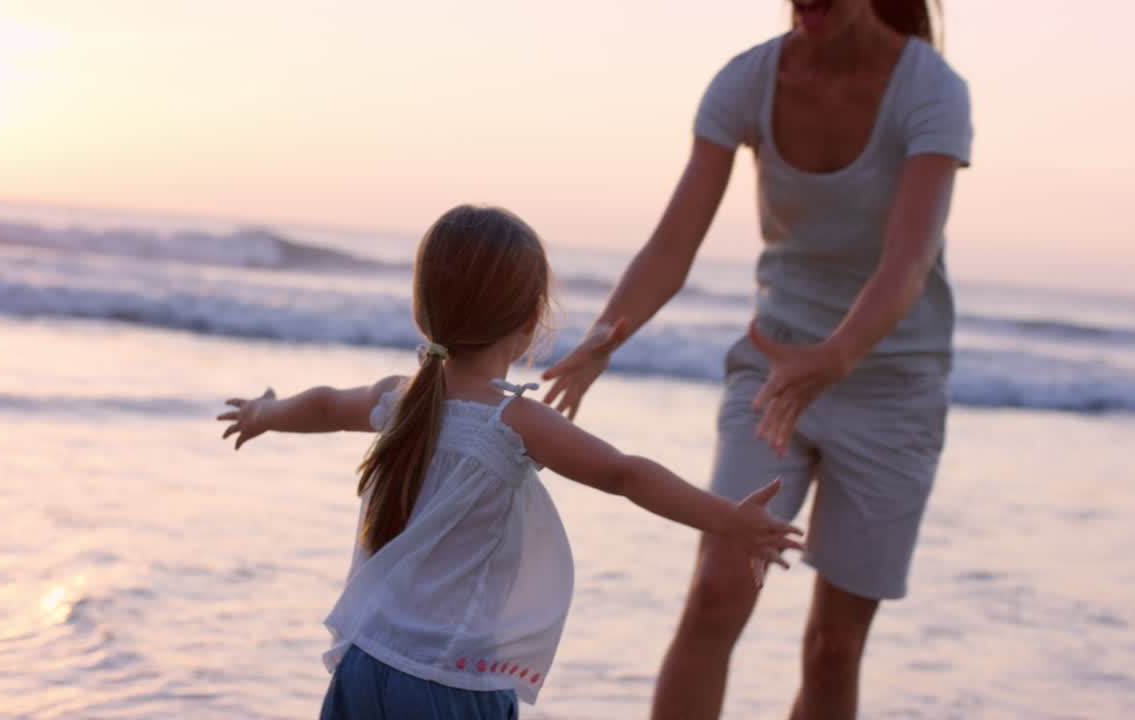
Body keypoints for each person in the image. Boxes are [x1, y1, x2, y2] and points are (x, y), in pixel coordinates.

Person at [540, 1, 972, 717]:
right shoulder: (747, 82)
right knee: (717, 593)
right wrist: (603, 338)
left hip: (895, 388)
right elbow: (674, 242)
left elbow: (910, 260)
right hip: (772, 372)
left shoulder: (931, 89)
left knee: (832, 648)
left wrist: (835, 357)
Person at [217, 204, 804, 720]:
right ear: (530, 321)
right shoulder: (513, 422)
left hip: (366, 663)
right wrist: (727, 520)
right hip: (451, 681)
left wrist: (265, 414)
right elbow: (624, 474)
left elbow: (322, 404)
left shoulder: (397, 399)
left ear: (424, 312)